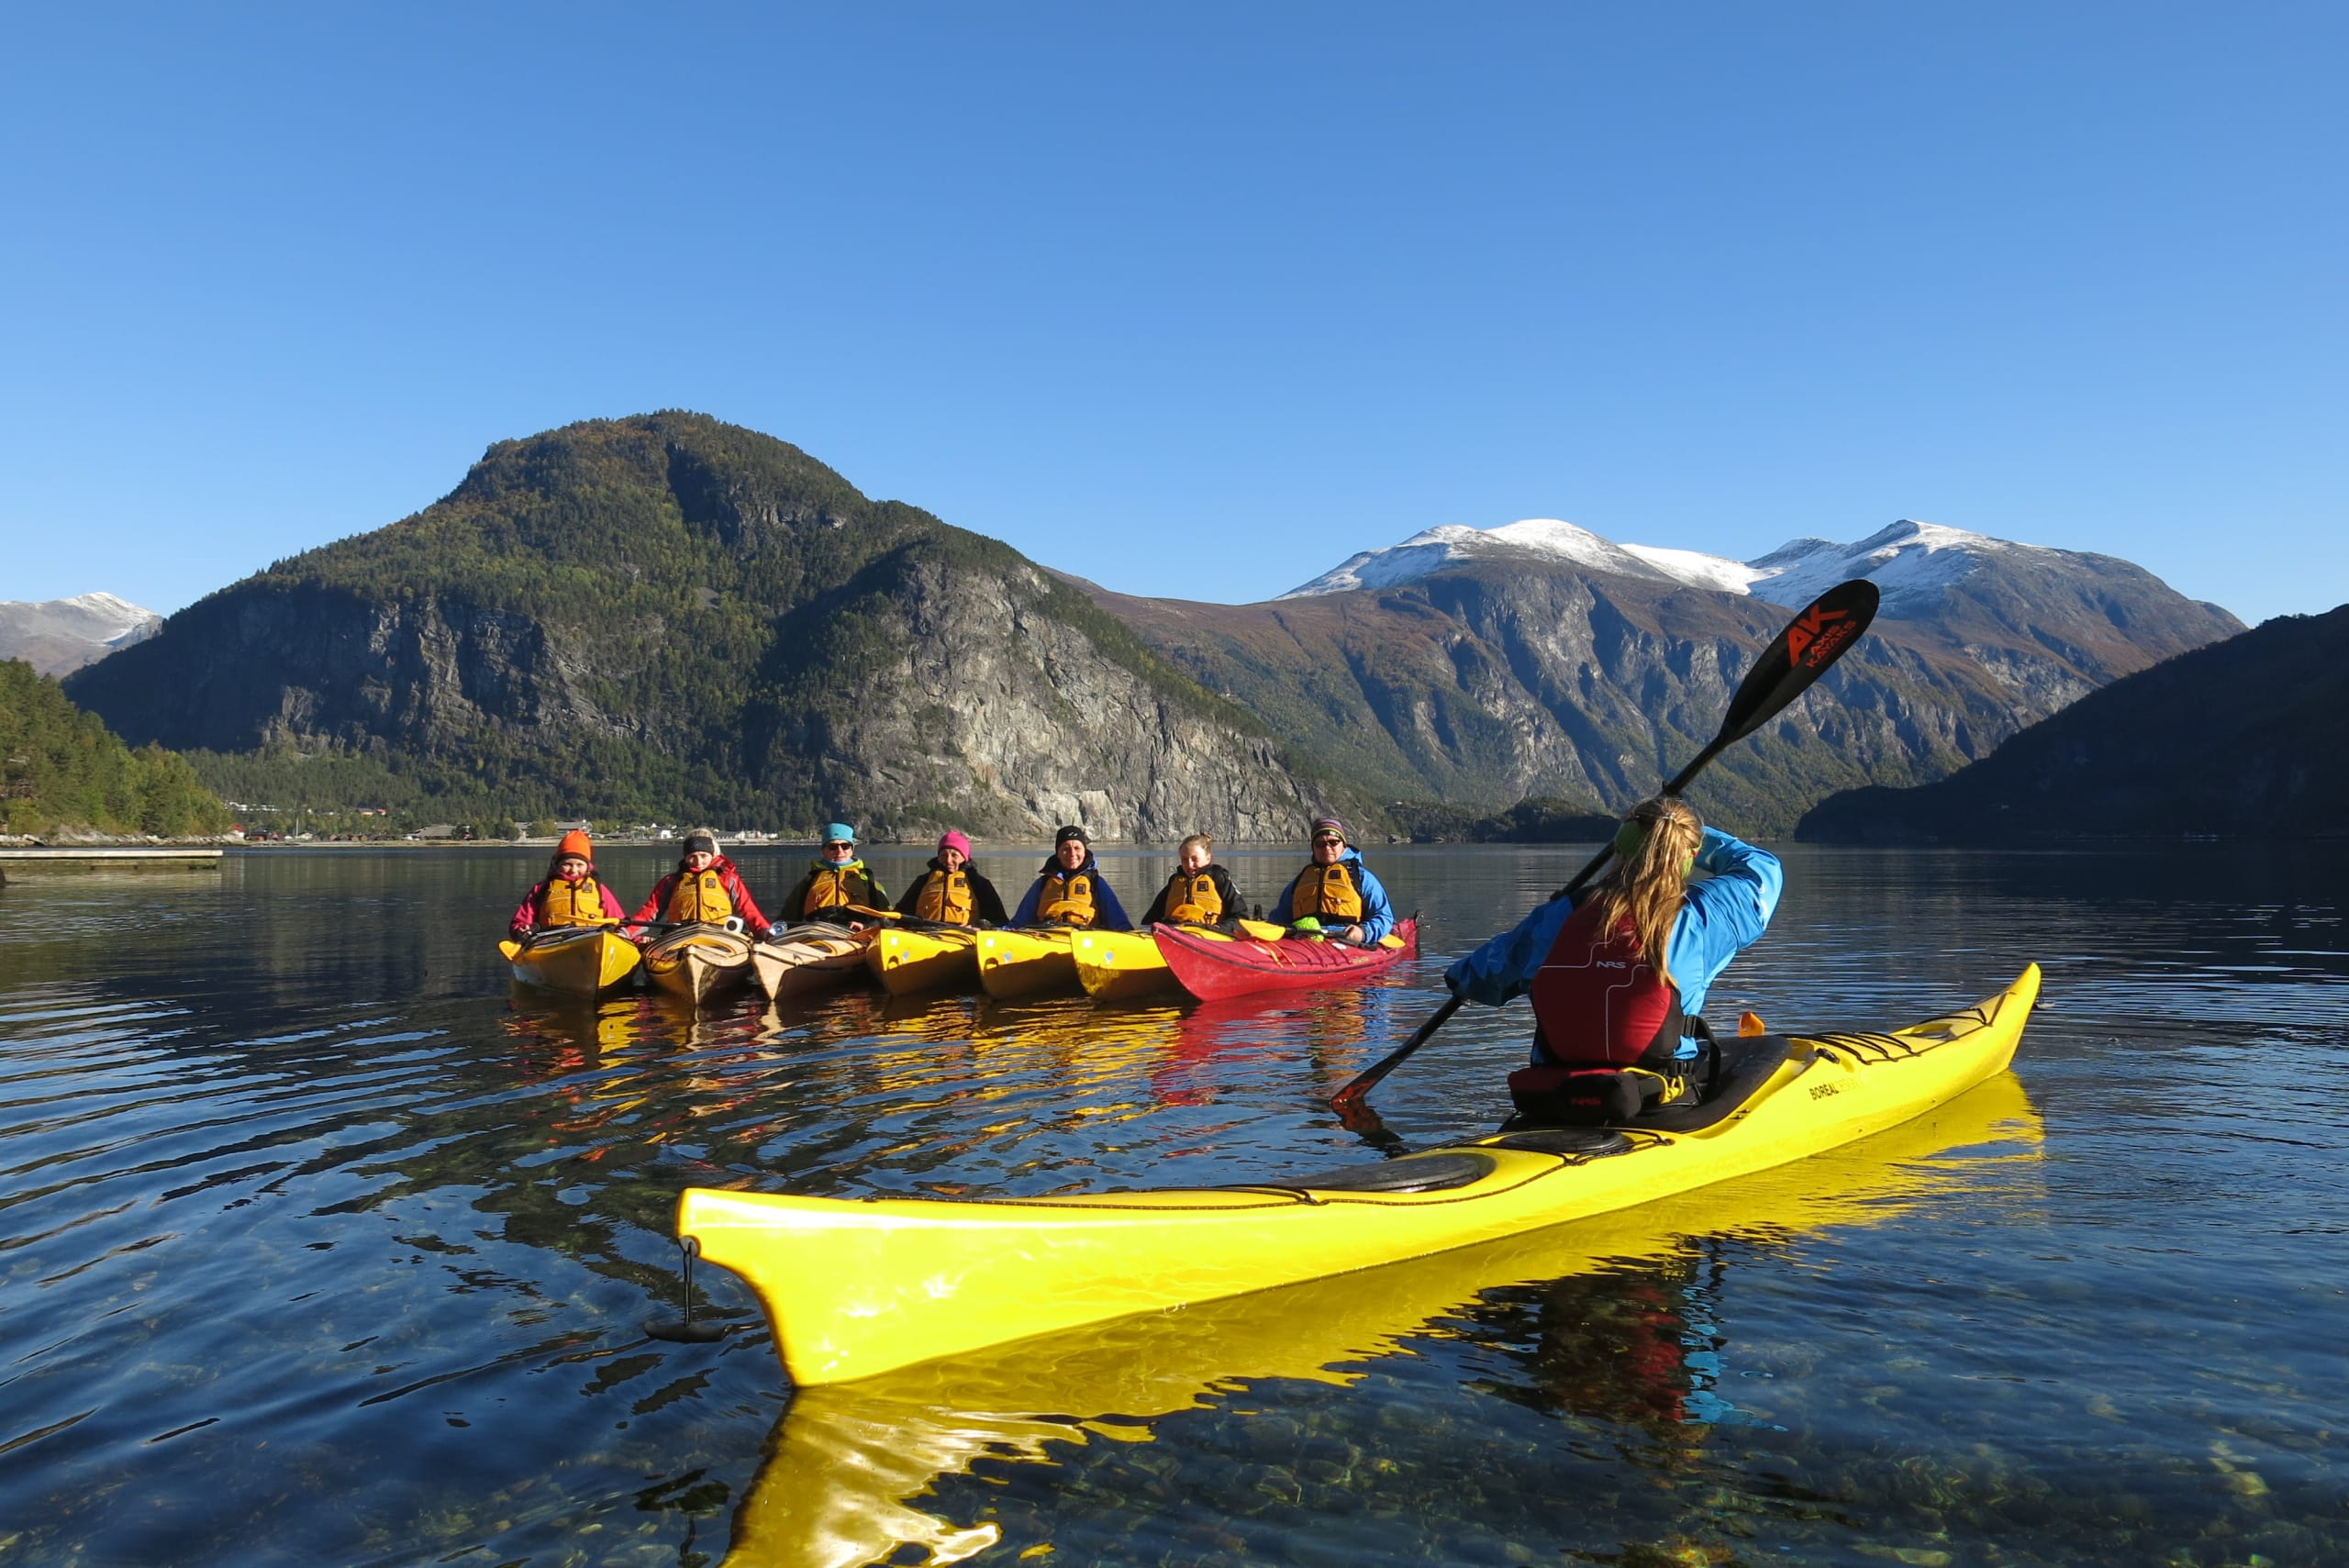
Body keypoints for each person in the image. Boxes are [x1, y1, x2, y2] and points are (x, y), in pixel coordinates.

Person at [1445, 795, 1781, 1113]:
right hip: (1660, 1101)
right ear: (1688, 855)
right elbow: (1762, 869)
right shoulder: (1705, 916)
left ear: (1619, 848)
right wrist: (1681, 831)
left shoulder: (1556, 917)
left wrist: (1550, 918)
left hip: (1556, 1099)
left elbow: (1471, 978)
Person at [626, 829, 773, 940]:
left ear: (713, 855)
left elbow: (749, 912)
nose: (698, 862)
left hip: (721, 939)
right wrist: (626, 931)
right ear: (685, 857)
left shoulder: (729, 879)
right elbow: (648, 914)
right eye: (692, 857)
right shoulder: (671, 881)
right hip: (680, 938)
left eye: (703, 856)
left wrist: (766, 932)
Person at [1274, 817, 1395, 945]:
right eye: (1320, 844)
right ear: (1313, 848)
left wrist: (1363, 932)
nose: (1326, 848)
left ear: (1344, 845)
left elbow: (1384, 917)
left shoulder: (1363, 878)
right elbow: (1278, 920)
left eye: (1333, 842)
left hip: (1345, 941)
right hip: (1303, 941)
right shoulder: (1299, 881)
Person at [1010, 825, 1132, 929]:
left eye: (1077, 848)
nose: (1072, 854)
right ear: (1058, 853)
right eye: (1066, 849)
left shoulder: (1096, 882)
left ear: (1084, 851)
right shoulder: (1043, 883)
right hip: (1047, 938)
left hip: (1086, 940)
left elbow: (1119, 922)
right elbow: (1019, 921)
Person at [508, 828, 625, 937]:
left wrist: (633, 939)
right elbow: (519, 922)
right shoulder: (542, 888)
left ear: (588, 866)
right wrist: (521, 930)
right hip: (553, 940)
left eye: (580, 865)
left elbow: (620, 920)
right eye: (567, 864)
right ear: (558, 865)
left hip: (591, 938)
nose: (574, 870)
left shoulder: (599, 889)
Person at [777, 823, 892, 927]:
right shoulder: (809, 882)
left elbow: (887, 920)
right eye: (832, 847)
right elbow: (786, 919)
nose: (839, 851)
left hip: (858, 934)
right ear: (823, 850)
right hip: (816, 934)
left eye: (845, 846)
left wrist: (865, 927)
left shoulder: (867, 880)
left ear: (852, 850)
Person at [896, 829, 1009, 926]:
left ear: (964, 858)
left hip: (964, 937)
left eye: (954, 855)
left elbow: (999, 921)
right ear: (938, 857)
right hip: (925, 936)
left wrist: (983, 927)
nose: (948, 860)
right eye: (943, 855)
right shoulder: (923, 881)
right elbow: (901, 913)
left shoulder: (979, 884)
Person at [1140, 832, 1248, 928]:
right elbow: (1149, 920)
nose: (1189, 865)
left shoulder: (1218, 878)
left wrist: (1221, 928)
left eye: (1195, 859)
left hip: (1210, 934)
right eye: (1184, 860)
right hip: (1175, 933)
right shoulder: (1175, 882)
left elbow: (1241, 917)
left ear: (1208, 858)